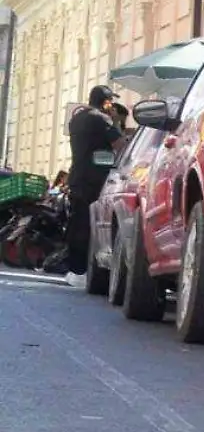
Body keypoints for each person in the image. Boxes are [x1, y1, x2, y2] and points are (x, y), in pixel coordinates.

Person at [64, 85, 124, 287]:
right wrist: (116, 121)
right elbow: (119, 144)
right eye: (110, 102)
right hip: (94, 179)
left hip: (77, 176)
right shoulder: (101, 119)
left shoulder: (77, 118)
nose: (111, 106)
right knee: (89, 226)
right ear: (105, 102)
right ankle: (83, 271)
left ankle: (74, 269)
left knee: (76, 224)